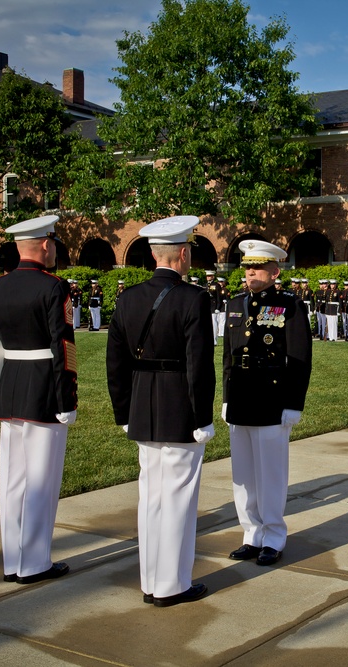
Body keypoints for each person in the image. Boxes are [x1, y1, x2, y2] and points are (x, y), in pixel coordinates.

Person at [107, 215, 215, 607]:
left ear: (154, 254)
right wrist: (202, 417)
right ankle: (172, 585)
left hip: (142, 408)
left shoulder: (127, 298)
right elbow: (198, 365)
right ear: (183, 254)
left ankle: (151, 579)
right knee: (178, 500)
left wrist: (123, 411)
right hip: (180, 409)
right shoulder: (194, 298)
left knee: (150, 498)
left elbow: (115, 362)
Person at [0, 214, 77, 585]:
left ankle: (12, 559)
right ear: (44, 245)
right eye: (53, 243)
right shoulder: (54, 287)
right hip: (43, 389)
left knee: (13, 480)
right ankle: (34, 562)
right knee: (41, 479)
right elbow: (62, 346)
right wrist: (67, 398)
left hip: (9, 385)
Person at [222, 240, 312, 567]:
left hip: (273, 400)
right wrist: (226, 398)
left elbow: (300, 358)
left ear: (275, 271)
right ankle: (251, 534)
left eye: (257, 267)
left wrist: (294, 403)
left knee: (270, 474)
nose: (250, 273)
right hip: (241, 399)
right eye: (247, 267)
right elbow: (228, 357)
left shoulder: (290, 305)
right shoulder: (234, 303)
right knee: (243, 474)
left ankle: (273, 536)